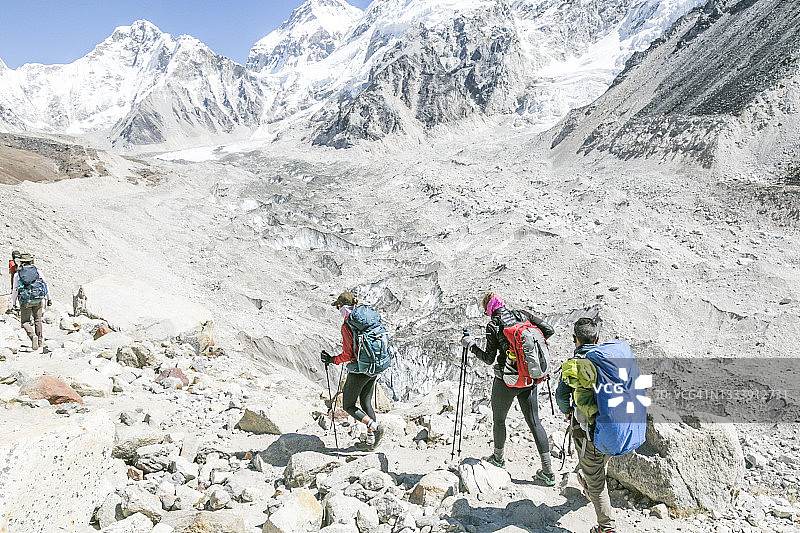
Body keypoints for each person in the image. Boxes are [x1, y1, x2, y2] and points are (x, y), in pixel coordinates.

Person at [461, 292, 556, 485]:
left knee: (499, 419)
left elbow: (488, 359)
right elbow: (549, 330)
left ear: (489, 309)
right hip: (530, 379)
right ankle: (548, 472)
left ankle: (498, 458)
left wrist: (470, 345)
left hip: (507, 380)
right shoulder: (522, 315)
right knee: (534, 422)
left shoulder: (493, 326)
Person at [556, 317, 616, 533]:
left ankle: (606, 528)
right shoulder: (608, 360)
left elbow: (562, 397)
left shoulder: (575, 365)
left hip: (589, 430)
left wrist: (567, 413)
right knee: (599, 464)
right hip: (614, 427)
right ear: (597, 338)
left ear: (575, 340)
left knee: (596, 481)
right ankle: (590, 483)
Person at [321, 291, 386, 450]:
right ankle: (370, 442)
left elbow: (348, 354)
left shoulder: (347, 325)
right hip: (375, 365)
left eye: (338, 308)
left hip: (360, 370)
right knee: (365, 403)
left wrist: (332, 359)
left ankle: (375, 429)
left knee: (348, 406)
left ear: (340, 306)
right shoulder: (366, 320)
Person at [11, 253, 51, 351]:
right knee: (38, 320)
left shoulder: (18, 274)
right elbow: (45, 285)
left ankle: (33, 336)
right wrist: (49, 298)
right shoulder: (38, 272)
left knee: (25, 322)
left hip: (25, 301)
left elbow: (15, 290)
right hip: (38, 299)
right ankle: (40, 342)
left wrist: (14, 303)